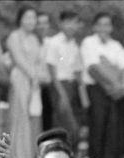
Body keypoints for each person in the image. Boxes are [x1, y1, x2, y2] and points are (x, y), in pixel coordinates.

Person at [80, 13, 124, 158]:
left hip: (114, 91)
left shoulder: (116, 45)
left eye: (107, 24)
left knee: (112, 128)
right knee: (97, 127)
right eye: (100, 24)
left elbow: (123, 68)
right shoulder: (89, 42)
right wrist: (110, 85)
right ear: (94, 26)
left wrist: (119, 86)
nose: (104, 28)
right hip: (96, 89)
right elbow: (93, 68)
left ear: (111, 27)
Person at [5, 6, 44, 158]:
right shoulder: (14, 37)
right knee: (19, 117)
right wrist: (34, 75)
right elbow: (18, 58)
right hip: (20, 78)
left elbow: (40, 61)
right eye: (27, 17)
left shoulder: (35, 39)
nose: (31, 21)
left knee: (32, 117)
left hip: (33, 81)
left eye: (33, 18)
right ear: (20, 19)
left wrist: (37, 77)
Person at [43, 10, 86, 146]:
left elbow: (78, 71)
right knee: (67, 126)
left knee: (71, 127)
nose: (71, 26)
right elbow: (52, 71)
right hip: (59, 87)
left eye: (74, 23)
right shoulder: (54, 42)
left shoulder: (74, 44)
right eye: (68, 22)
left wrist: (84, 96)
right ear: (61, 24)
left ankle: (68, 156)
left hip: (72, 86)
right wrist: (62, 95)